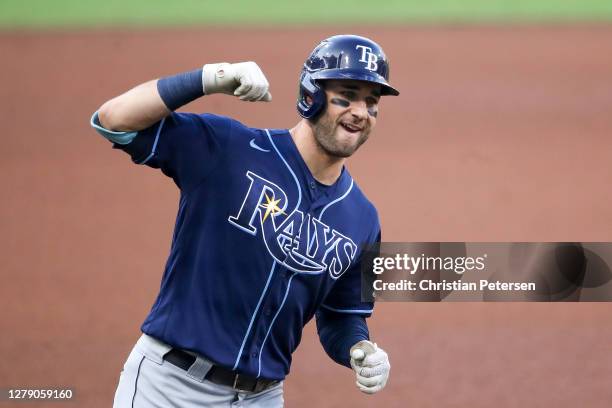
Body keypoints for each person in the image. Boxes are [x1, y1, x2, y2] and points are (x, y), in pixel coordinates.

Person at [91, 34, 398, 407]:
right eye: (346, 96)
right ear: (311, 95)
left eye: (371, 101)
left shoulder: (363, 219)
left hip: (262, 398)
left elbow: (342, 316)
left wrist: (360, 348)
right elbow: (114, 120)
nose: (360, 111)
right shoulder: (230, 148)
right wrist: (209, 78)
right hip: (170, 387)